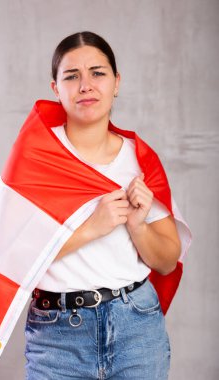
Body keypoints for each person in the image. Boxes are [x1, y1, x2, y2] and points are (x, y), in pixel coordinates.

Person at [23, 31, 183, 380]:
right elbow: (14, 258)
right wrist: (92, 227)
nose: (86, 85)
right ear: (55, 89)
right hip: (56, 336)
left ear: (116, 83)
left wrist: (137, 226)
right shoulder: (35, 160)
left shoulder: (140, 159)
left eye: (98, 72)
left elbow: (168, 261)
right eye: (71, 76)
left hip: (136, 327)